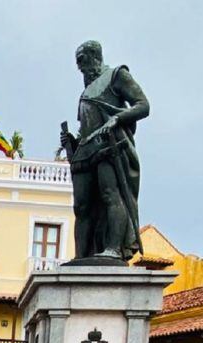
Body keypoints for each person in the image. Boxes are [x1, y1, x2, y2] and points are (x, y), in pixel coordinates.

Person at [59, 40, 149, 261]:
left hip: (110, 145)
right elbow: (87, 124)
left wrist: (117, 119)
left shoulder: (117, 75)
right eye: (79, 64)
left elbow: (143, 105)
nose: (81, 69)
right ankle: (82, 256)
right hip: (86, 148)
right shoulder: (87, 90)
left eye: (83, 62)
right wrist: (72, 140)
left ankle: (113, 249)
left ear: (95, 57)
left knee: (110, 195)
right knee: (82, 206)